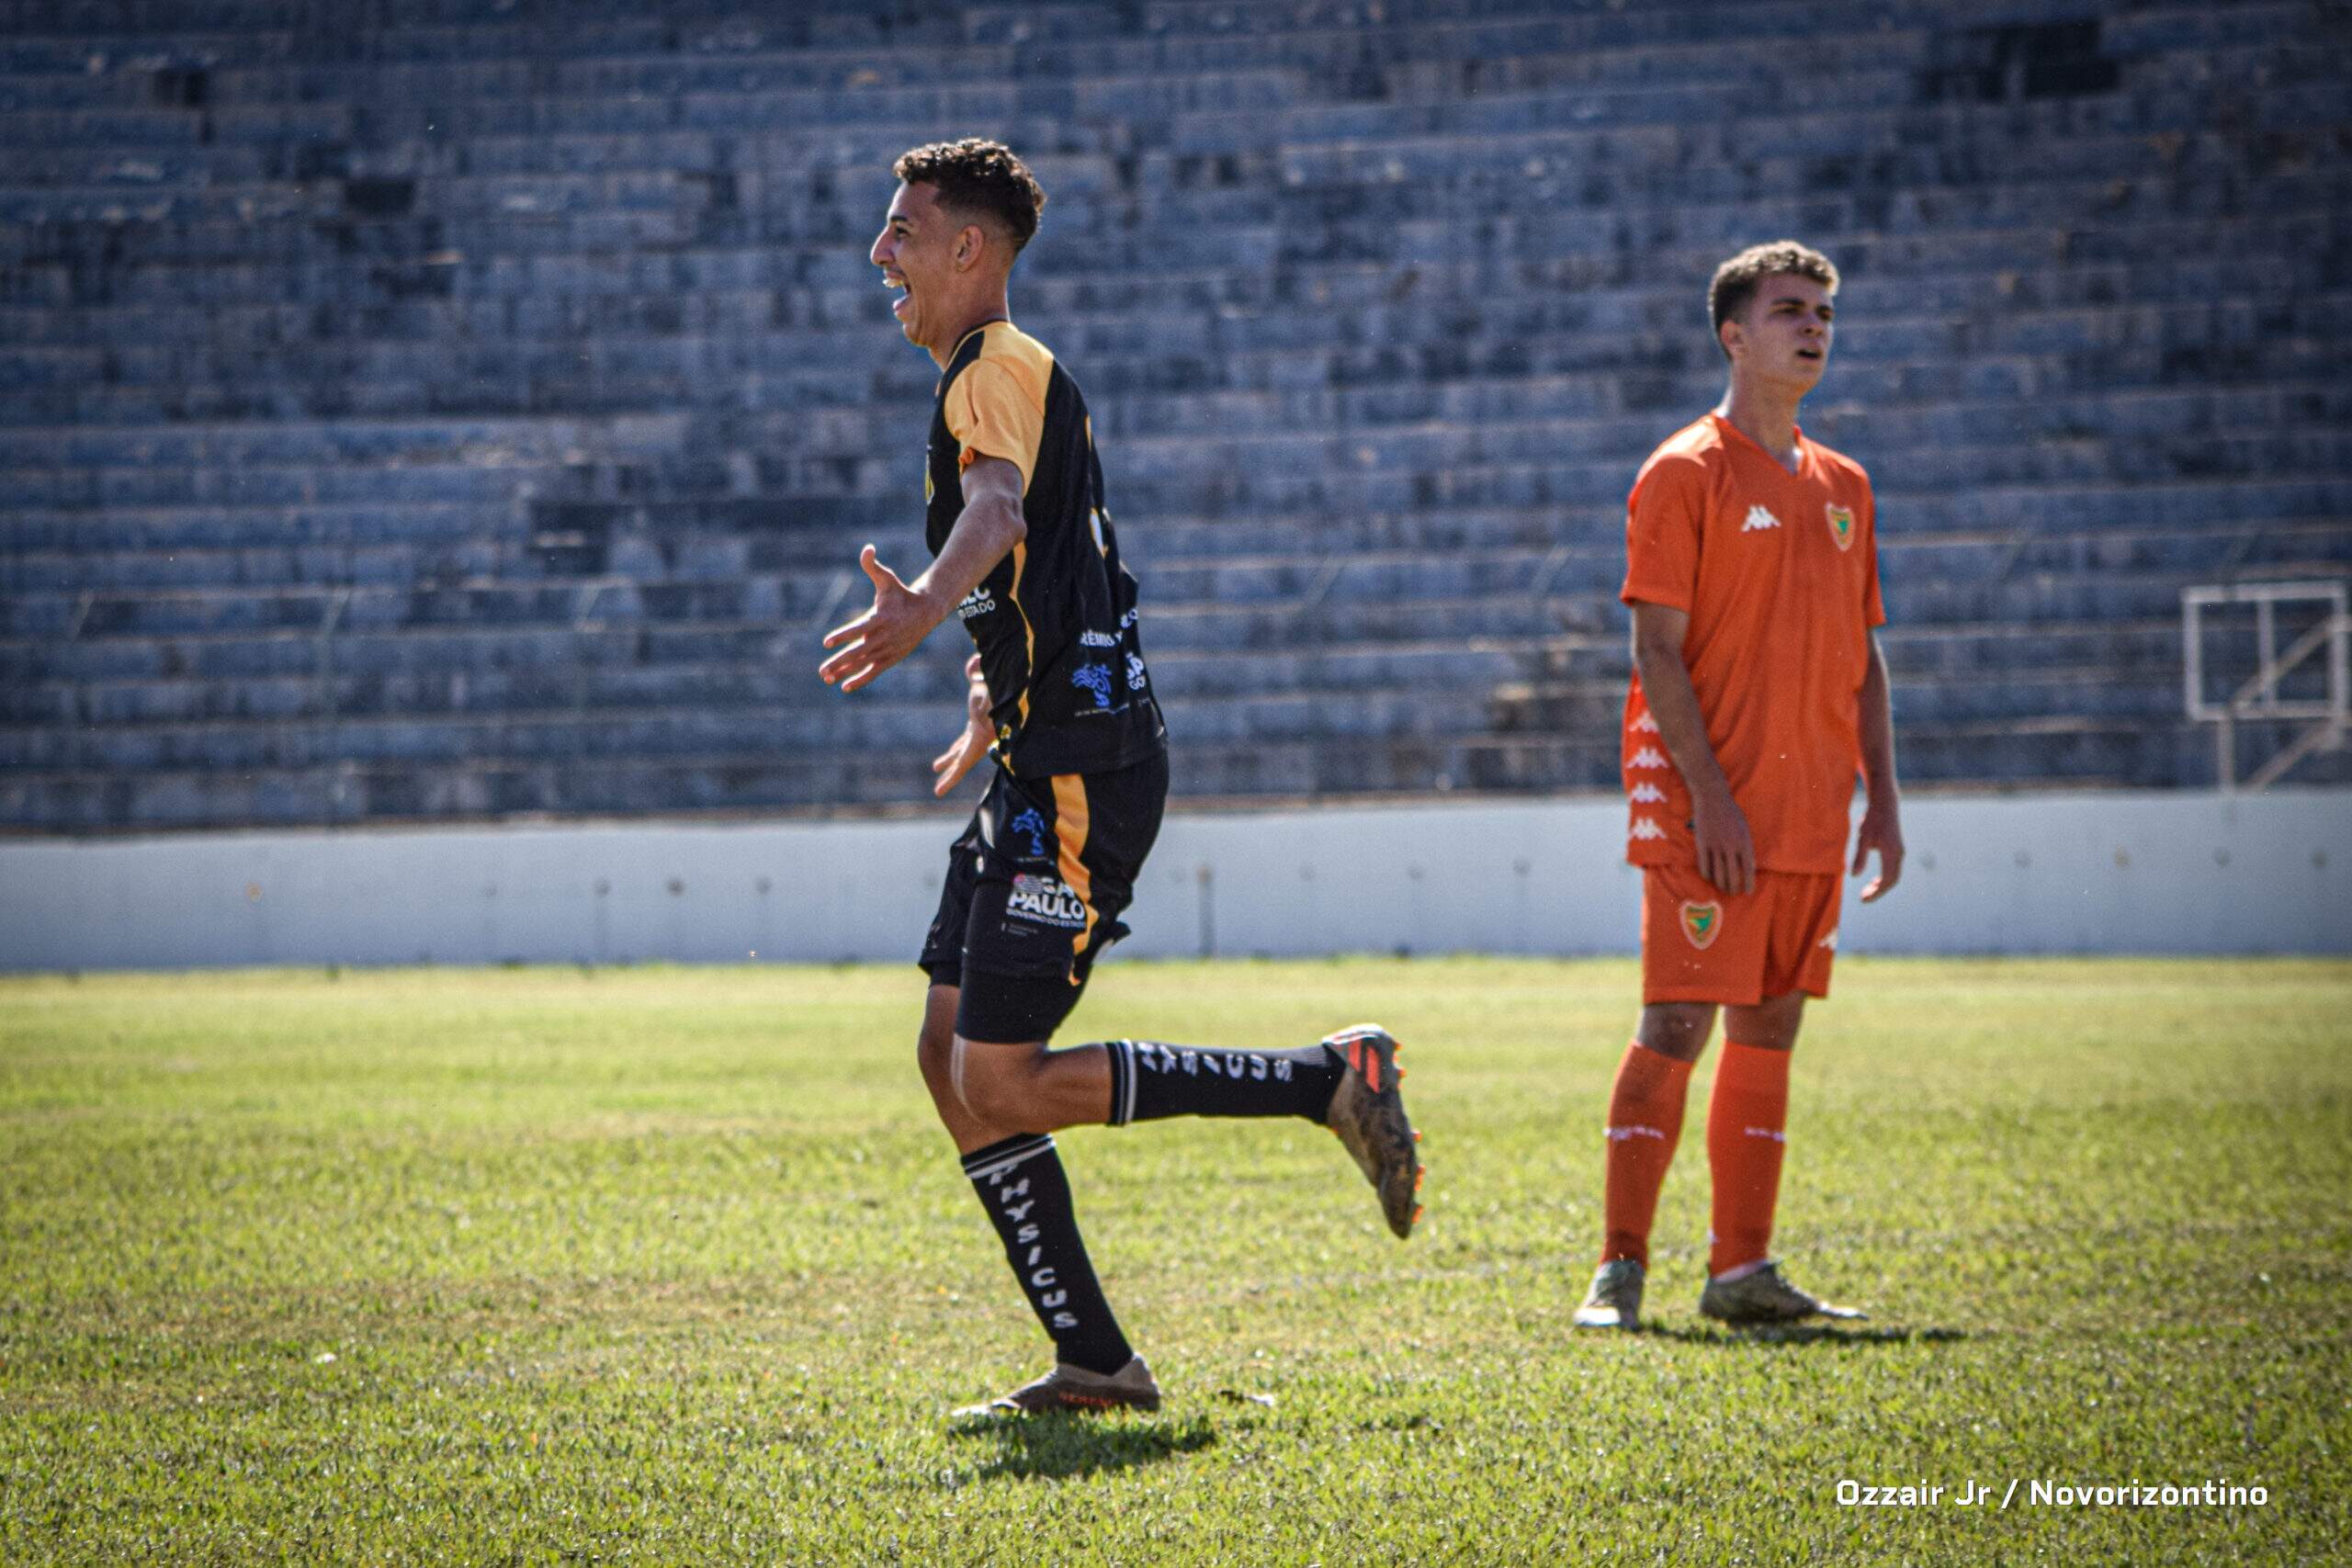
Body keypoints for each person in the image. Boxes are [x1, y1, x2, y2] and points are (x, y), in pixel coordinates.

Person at [819, 138, 1422, 1413]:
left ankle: (1327, 1079)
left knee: (1002, 1075)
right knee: (948, 1053)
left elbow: (997, 520)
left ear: (969, 249)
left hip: (1081, 776)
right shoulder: (1021, 376)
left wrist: (921, 608)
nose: (884, 253)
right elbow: (1059, 573)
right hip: (1047, 754)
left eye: (904, 232)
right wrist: (994, 682)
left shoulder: (992, 370)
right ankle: (1095, 1356)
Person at [1570, 241, 1905, 1331]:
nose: (1812, 327)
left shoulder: (1847, 485)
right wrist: (1711, 795)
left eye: (1823, 313)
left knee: (1770, 1027)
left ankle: (1740, 1272)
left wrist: (1885, 802)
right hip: (1706, 810)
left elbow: (1867, 653)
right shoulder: (1684, 471)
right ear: (1734, 335)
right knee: (1676, 1023)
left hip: (1811, 811)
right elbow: (1654, 652)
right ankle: (1619, 1270)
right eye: (1789, 311)